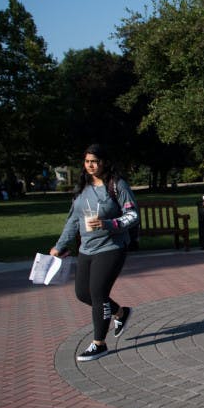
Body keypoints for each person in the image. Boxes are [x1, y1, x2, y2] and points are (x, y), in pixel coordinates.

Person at [50, 144, 138, 362]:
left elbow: (133, 215)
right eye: (87, 161)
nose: (91, 165)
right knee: (83, 293)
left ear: (104, 162)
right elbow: (73, 220)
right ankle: (121, 313)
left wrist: (109, 224)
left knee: (98, 293)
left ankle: (99, 343)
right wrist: (59, 246)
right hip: (86, 249)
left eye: (95, 161)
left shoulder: (116, 185)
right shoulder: (82, 187)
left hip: (111, 247)